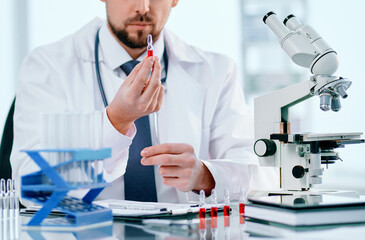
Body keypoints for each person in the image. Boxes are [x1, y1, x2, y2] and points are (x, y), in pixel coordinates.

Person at [11, 0, 265, 204]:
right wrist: (115, 121)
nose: (143, 7)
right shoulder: (48, 66)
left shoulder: (217, 72)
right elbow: (30, 184)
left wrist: (206, 175)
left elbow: (257, 174)